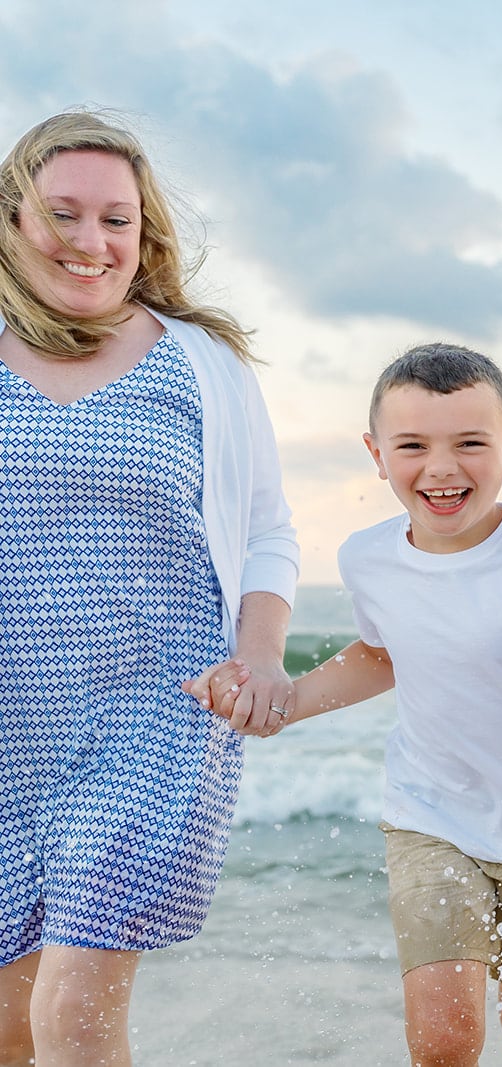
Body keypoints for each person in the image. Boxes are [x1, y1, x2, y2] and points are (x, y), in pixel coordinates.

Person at [194, 343, 502, 1067]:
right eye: (413, 446)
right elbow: (383, 654)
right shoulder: (367, 557)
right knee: (444, 1036)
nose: (441, 468)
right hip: (429, 818)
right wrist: (287, 702)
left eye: (470, 443)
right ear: (376, 454)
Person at [0, 111, 298, 1066]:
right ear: (13, 220)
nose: (91, 241)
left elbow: (267, 533)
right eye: (62, 214)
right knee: (12, 1026)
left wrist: (259, 657)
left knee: (73, 1011)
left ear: (145, 233)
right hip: (11, 725)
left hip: (158, 710)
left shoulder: (201, 361)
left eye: (116, 219)